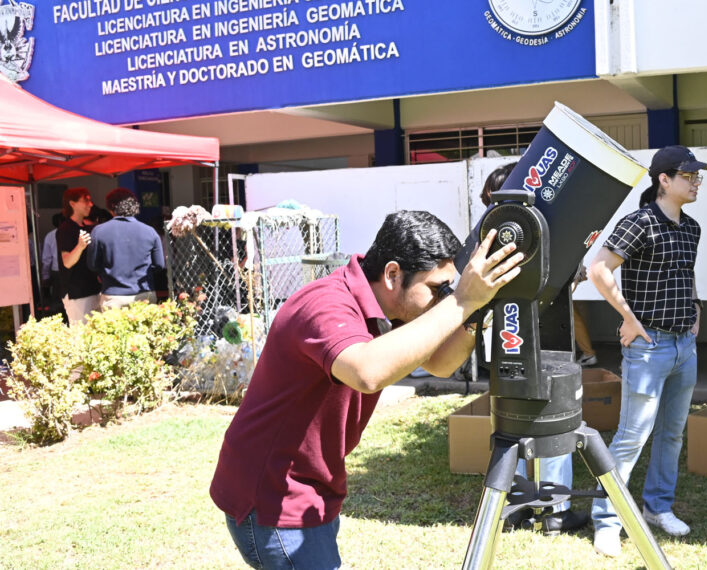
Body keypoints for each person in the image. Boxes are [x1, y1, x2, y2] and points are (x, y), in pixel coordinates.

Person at [210, 210, 524, 569]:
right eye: (437, 289)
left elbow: (439, 362)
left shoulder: (379, 303)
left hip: (311, 487)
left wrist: (474, 310)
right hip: (273, 496)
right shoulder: (325, 304)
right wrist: (462, 301)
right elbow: (367, 372)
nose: (442, 300)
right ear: (392, 274)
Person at [588, 145, 707, 557]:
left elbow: (687, 275)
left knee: (672, 433)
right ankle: (607, 520)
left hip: (683, 346)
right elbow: (598, 269)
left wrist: (695, 309)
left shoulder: (690, 228)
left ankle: (657, 508)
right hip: (647, 346)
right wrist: (628, 317)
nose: (696, 182)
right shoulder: (639, 223)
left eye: (697, 177)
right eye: (688, 176)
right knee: (632, 436)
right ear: (664, 180)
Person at [479, 161, 588, 535]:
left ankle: (518, 506)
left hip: (513, 345)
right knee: (542, 422)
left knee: (517, 428)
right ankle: (553, 510)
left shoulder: (491, 241)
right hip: (525, 343)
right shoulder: (528, 238)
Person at [87, 188, 165, 310]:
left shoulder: (99, 231)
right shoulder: (150, 231)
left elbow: (93, 264)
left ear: (111, 206)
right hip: (144, 293)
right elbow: (159, 265)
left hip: (113, 295)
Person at [56, 187, 101, 325]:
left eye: (90, 200)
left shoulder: (87, 228)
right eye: (85, 200)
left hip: (93, 289)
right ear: (72, 203)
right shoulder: (66, 229)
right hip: (77, 293)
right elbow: (67, 262)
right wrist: (80, 246)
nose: (90, 204)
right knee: (81, 336)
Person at [39, 213, 63, 308]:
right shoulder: (73, 233)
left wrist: (45, 276)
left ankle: (59, 318)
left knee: (57, 299)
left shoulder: (50, 236)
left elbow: (47, 259)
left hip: (56, 270)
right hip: (70, 269)